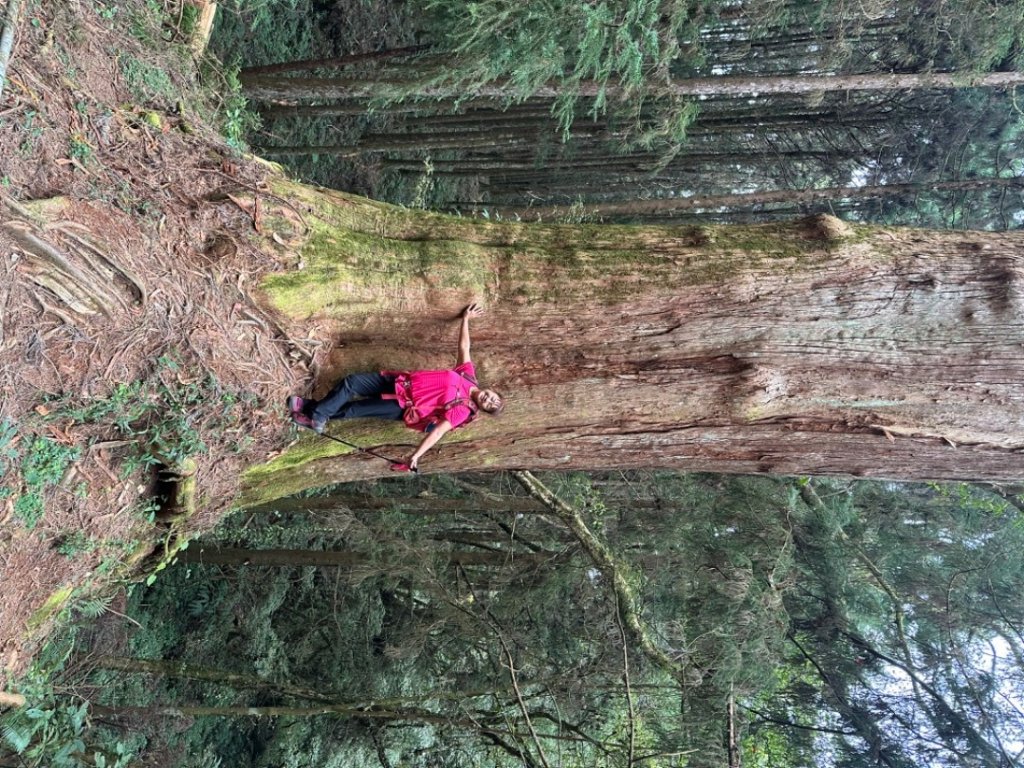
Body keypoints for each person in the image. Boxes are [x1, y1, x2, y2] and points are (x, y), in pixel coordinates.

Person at [287, 303, 504, 471]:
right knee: (351, 383)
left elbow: (437, 433)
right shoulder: (468, 376)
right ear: (492, 389)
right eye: (494, 398)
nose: (489, 400)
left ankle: (313, 415)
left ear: (483, 409)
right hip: (400, 381)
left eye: (490, 406)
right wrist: (465, 319)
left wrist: (416, 456)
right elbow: (464, 347)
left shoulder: (463, 410)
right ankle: (314, 410)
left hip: (402, 405)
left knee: (355, 409)